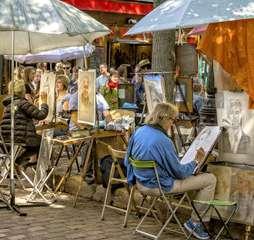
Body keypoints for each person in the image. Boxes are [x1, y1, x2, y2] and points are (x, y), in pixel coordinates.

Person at [124, 103, 217, 240]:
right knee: (210, 179)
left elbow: (127, 160)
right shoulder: (163, 140)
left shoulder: (139, 131)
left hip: (140, 183)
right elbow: (179, 173)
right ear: (165, 119)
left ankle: (196, 217)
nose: (173, 124)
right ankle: (196, 223)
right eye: (173, 120)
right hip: (160, 185)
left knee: (194, 176)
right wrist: (196, 161)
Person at [0, 79, 48, 166]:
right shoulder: (22, 103)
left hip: (5, 141)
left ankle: (18, 162)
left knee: (36, 141)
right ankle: (20, 161)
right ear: (23, 91)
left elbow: (18, 121)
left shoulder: (8, 105)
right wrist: (44, 102)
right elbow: (41, 115)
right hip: (21, 140)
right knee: (42, 141)